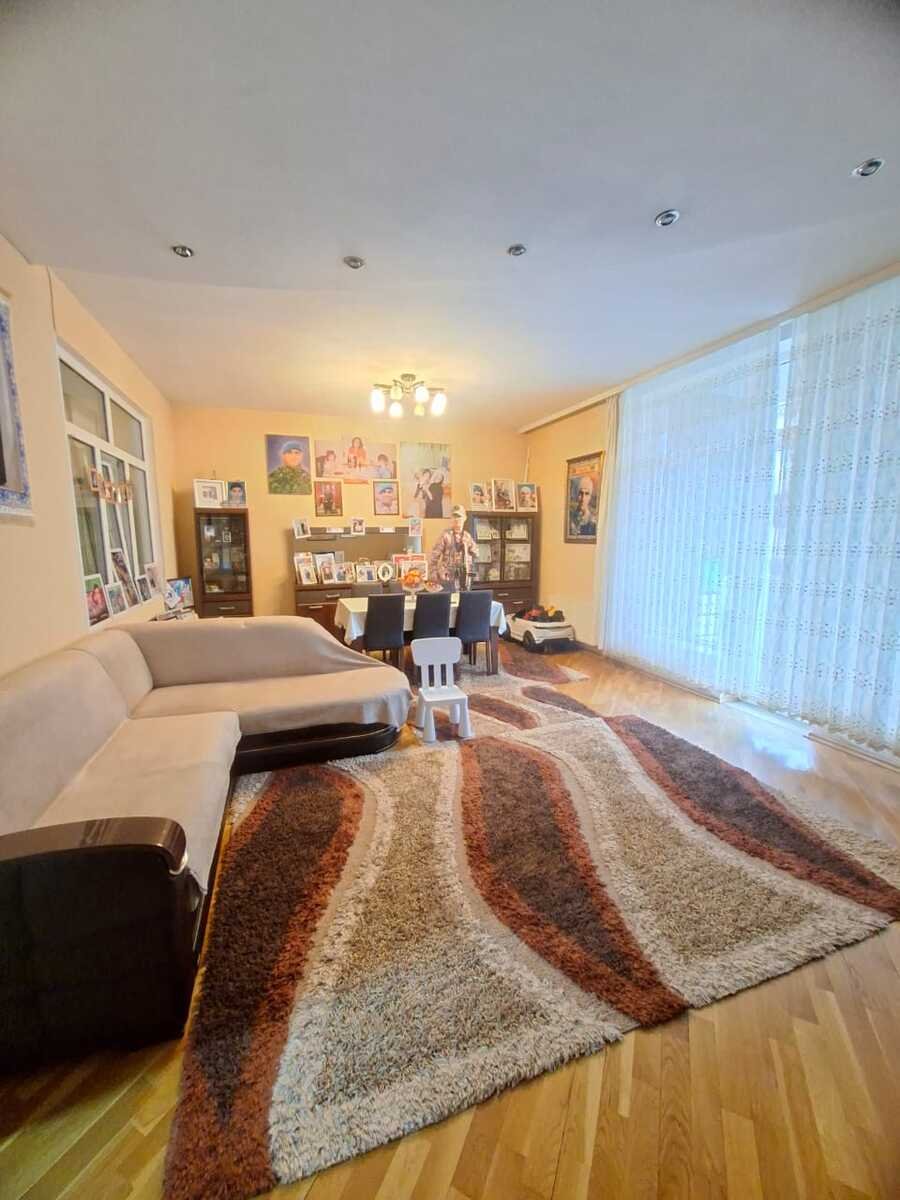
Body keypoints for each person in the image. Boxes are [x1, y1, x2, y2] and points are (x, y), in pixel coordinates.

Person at [428, 504, 477, 591]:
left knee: (463, 598)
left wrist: (467, 549)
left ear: (465, 518)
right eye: (454, 516)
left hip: (464, 579)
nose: (456, 519)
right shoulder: (446, 535)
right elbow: (433, 558)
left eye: (459, 516)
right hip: (448, 578)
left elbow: (476, 553)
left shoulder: (467, 536)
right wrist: (434, 575)